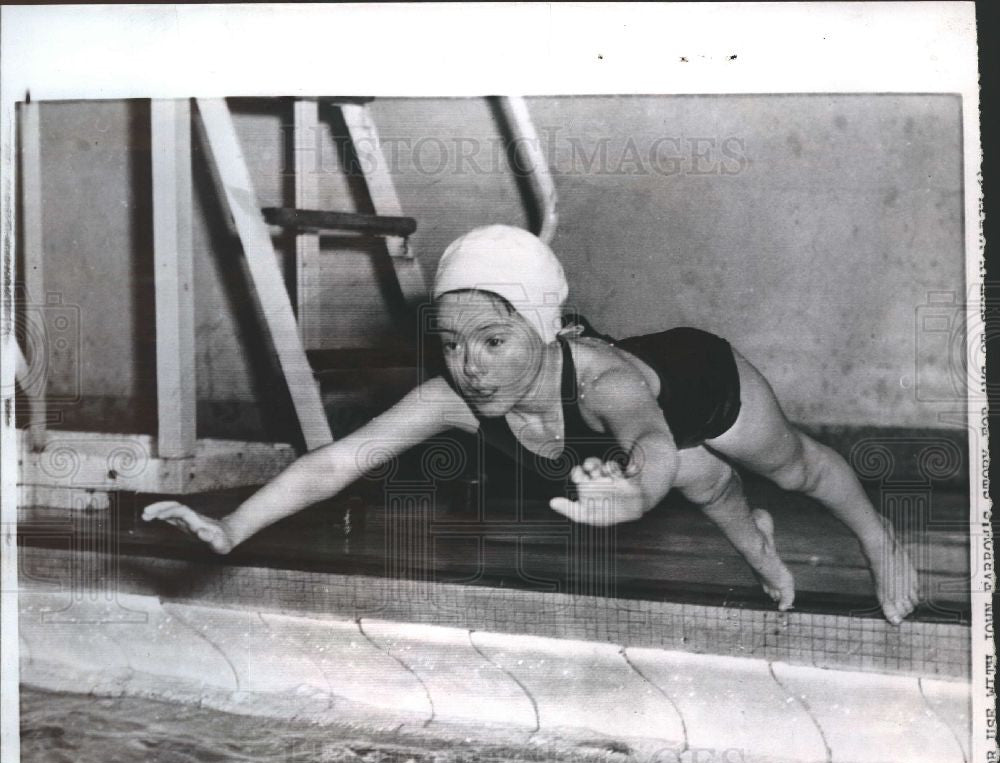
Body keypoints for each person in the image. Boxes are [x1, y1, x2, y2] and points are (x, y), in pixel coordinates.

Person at [144, 225, 919, 624]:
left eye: (492, 341)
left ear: (545, 333)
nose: (469, 365)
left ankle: (879, 536)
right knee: (708, 487)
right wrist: (232, 527)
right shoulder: (453, 397)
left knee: (784, 468)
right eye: (451, 344)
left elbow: (648, 437)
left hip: (698, 382)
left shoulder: (605, 381)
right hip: (647, 450)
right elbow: (338, 462)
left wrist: (636, 495)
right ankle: (758, 546)